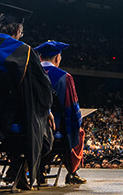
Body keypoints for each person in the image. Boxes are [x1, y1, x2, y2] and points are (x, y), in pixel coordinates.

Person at [0, 4, 53, 189]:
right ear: (19, 29)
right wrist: (47, 110)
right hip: (5, 117)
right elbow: (41, 89)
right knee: (43, 130)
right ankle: (17, 168)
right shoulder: (24, 51)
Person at [34, 40, 86, 185]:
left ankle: (41, 169)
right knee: (78, 132)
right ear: (57, 58)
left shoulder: (30, 73)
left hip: (29, 122)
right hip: (54, 126)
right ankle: (72, 172)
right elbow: (72, 109)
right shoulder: (65, 77)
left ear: (40, 57)